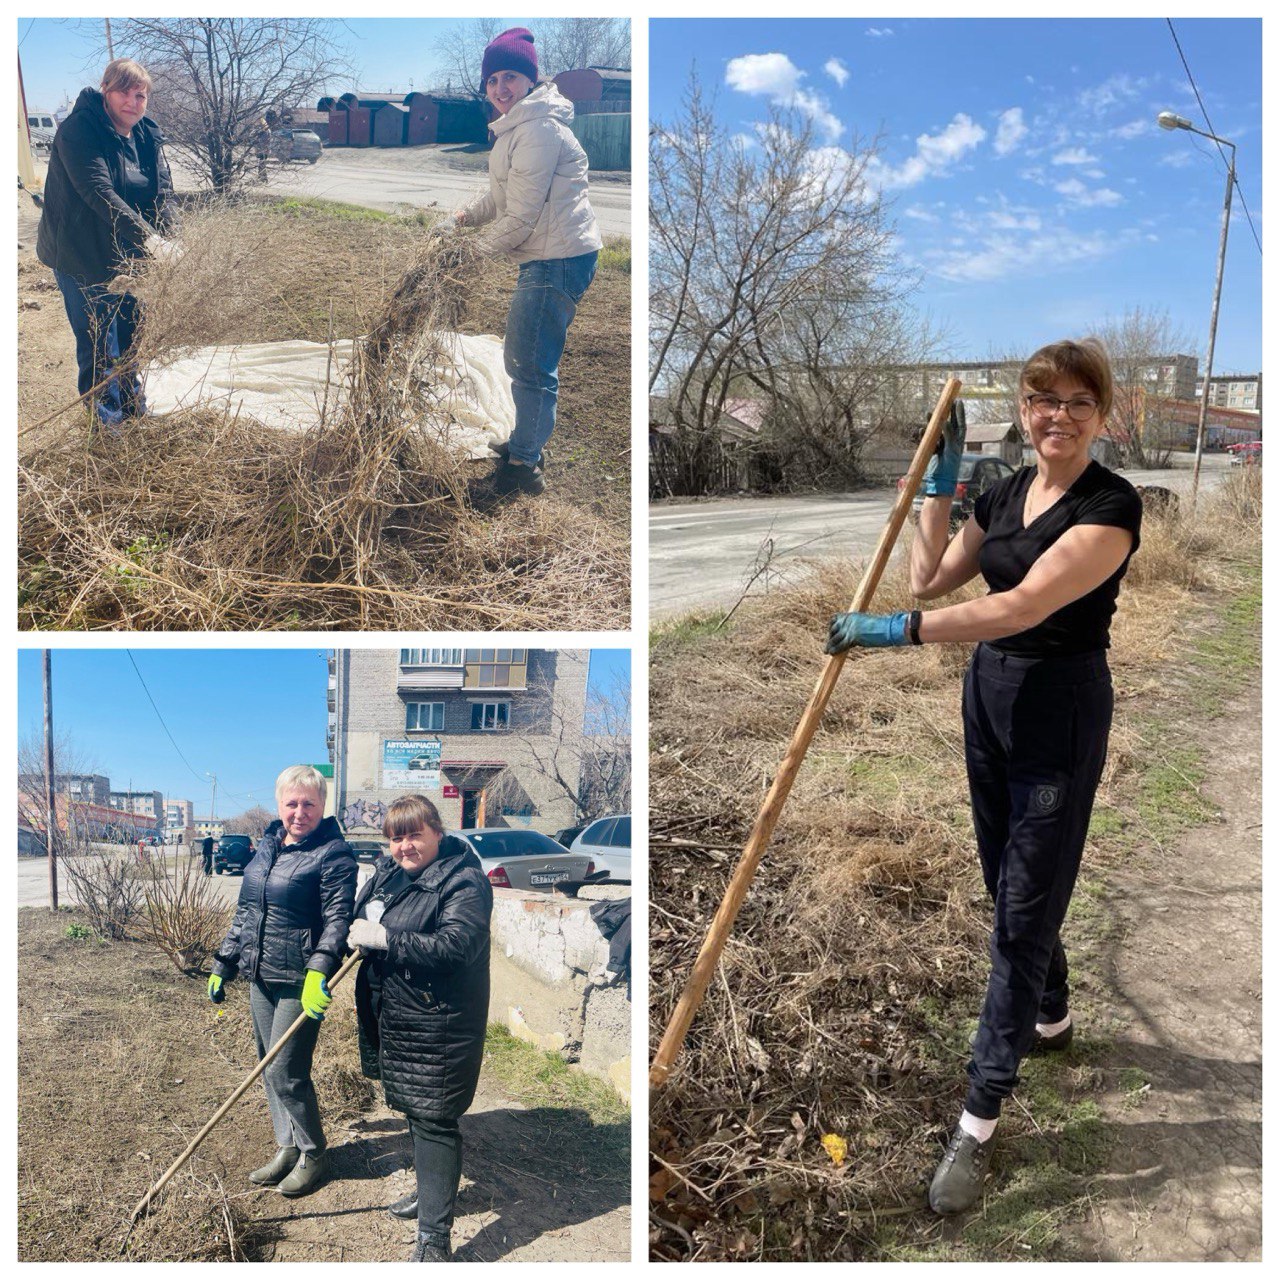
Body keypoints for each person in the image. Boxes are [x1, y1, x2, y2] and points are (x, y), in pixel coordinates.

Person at [824, 339, 1142, 1215]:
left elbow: (1023, 605)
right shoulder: (1002, 492)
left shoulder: (1112, 504)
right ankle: (1052, 1017)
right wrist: (937, 488)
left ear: (1101, 416)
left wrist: (894, 634)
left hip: (1058, 710)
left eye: (1080, 403)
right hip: (988, 698)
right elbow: (931, 576)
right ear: (1024, 408)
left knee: (1019, 916)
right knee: (1011, 885)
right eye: (1045, 400)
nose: (1059, 416)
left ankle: (977, 1120)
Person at [454, 27, 603, 508]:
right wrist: (465, 219)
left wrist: (469, 255)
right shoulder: (516, 126)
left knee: (530, 364)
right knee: (524, 358)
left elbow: (520, 218)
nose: (500, 87)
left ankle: (523, 468)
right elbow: (501, 199)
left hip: (557, 258)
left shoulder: (538, 129)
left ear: (530, 81)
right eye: (493, 78)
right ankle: (526, 447)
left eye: (511, 76)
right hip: (545, 252)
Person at [348, 795, 493, 1261]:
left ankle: (434, 1237)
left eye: (414, 835)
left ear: (437, 832)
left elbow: (456, 947)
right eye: (395, 838)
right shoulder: (392, 874)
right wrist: (364, 920)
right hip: (398, 1014)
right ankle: (432, 1195)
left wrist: (386, 938)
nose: (404, 846)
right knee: (414, 1108)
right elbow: (363, 910)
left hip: (439, 1021)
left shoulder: (464, 880)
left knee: (434, 1119)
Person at [208, 766, 357, 1197]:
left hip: (298, 979)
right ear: (279, 804)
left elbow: (337, 921)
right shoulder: (268, 847)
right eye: (291, 803)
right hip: (260, 974)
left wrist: (319, 969)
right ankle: (287, 1147)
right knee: (265, 1065)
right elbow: (246, 914)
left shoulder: (334, 854)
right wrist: (224, 963)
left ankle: (315, 1152)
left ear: (322, 806)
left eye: (309, 803)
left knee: (286, 1070)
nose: (299, 812)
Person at [36, 58, 177, 429]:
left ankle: (133, 410)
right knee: (100, 342)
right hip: (80, 251)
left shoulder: (146, 133)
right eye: (123, 92)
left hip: (127, 253)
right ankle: (107, 426)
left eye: (141, 94)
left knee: (132, 332)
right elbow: (98, 192)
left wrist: (172, 239)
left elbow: (163, 194)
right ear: (106, 91)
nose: (133, 101)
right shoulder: (79, 130)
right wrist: (151, 240)